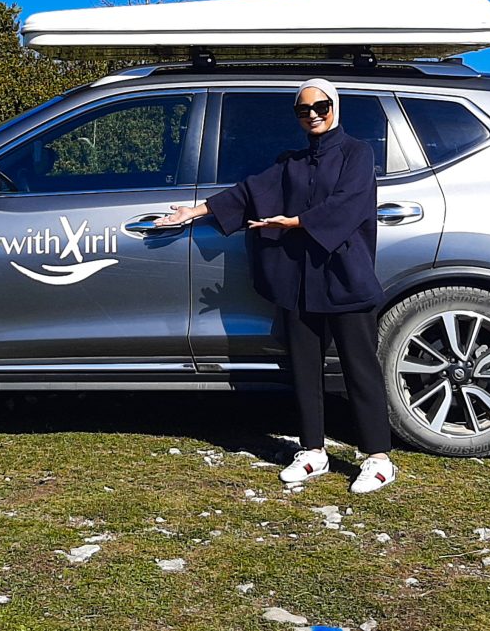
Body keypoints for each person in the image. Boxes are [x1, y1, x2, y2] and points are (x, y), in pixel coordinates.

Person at [156, 78, 397, 493]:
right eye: (303, 110)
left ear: (334, 106)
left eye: (320, 106)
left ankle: (378, 457)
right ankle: (313, 451)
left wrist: (297, 222)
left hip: (345, 278)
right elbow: (249, 192)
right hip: (300, 280)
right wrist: (193, 212)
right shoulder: (292, 162)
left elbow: (349, 203)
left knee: (361, 367)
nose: (313, 115)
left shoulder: (358, 153)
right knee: (303, 368)